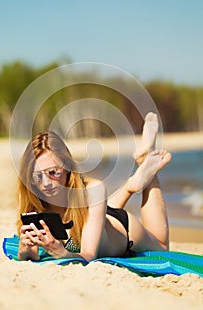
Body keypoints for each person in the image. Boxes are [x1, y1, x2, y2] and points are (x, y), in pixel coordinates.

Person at [17, 112, 172, 261]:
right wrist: (25, 251)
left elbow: (89, 255)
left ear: (67, 167)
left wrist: (61, 253)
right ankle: (130, 186)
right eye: (37, 176)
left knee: (163, 246)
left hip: (124, 229)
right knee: (96, 212)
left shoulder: (94, 189)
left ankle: (147, 166)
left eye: (53, 172)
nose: (45, 183)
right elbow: (32, 255)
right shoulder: (34, 200)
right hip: (96, 217)